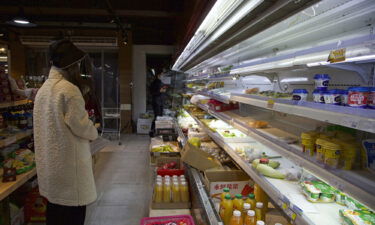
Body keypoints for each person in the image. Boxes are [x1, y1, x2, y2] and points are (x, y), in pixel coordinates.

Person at [33, 39, 98, 225]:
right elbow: (81, 126)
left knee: (55, 213)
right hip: (70, 170)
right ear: (71, 65)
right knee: (73, 215)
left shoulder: (43, 90)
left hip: (51, 167)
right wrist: (94, 132)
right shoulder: (69, 91)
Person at [149, 69, 167, 136]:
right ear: (158, 75)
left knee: (159, 117)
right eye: (162, 74)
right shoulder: (154, 82)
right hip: (156, 102)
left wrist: (163, 90)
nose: (163, 76)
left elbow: (161, 90)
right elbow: (152, 92)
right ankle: (152, 132)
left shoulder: (160, 82)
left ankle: (157, 131)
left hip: (160, 102)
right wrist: (160, 91)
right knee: (157, 117)